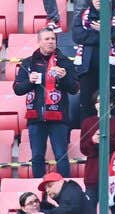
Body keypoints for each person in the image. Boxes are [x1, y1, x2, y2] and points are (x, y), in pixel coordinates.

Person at [15, 28, 78, 178]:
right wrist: (29, 81)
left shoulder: (65, 63)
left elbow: (74, 88)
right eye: (47, 39)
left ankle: (64, 189)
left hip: (59, 117)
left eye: (53, 39)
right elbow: (18, 89)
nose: (51, 42)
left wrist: (63, 78)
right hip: (35, 117)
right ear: (39, 42)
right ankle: (38, 188)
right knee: (37, 157)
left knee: (61, 155)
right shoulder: (28, 62)